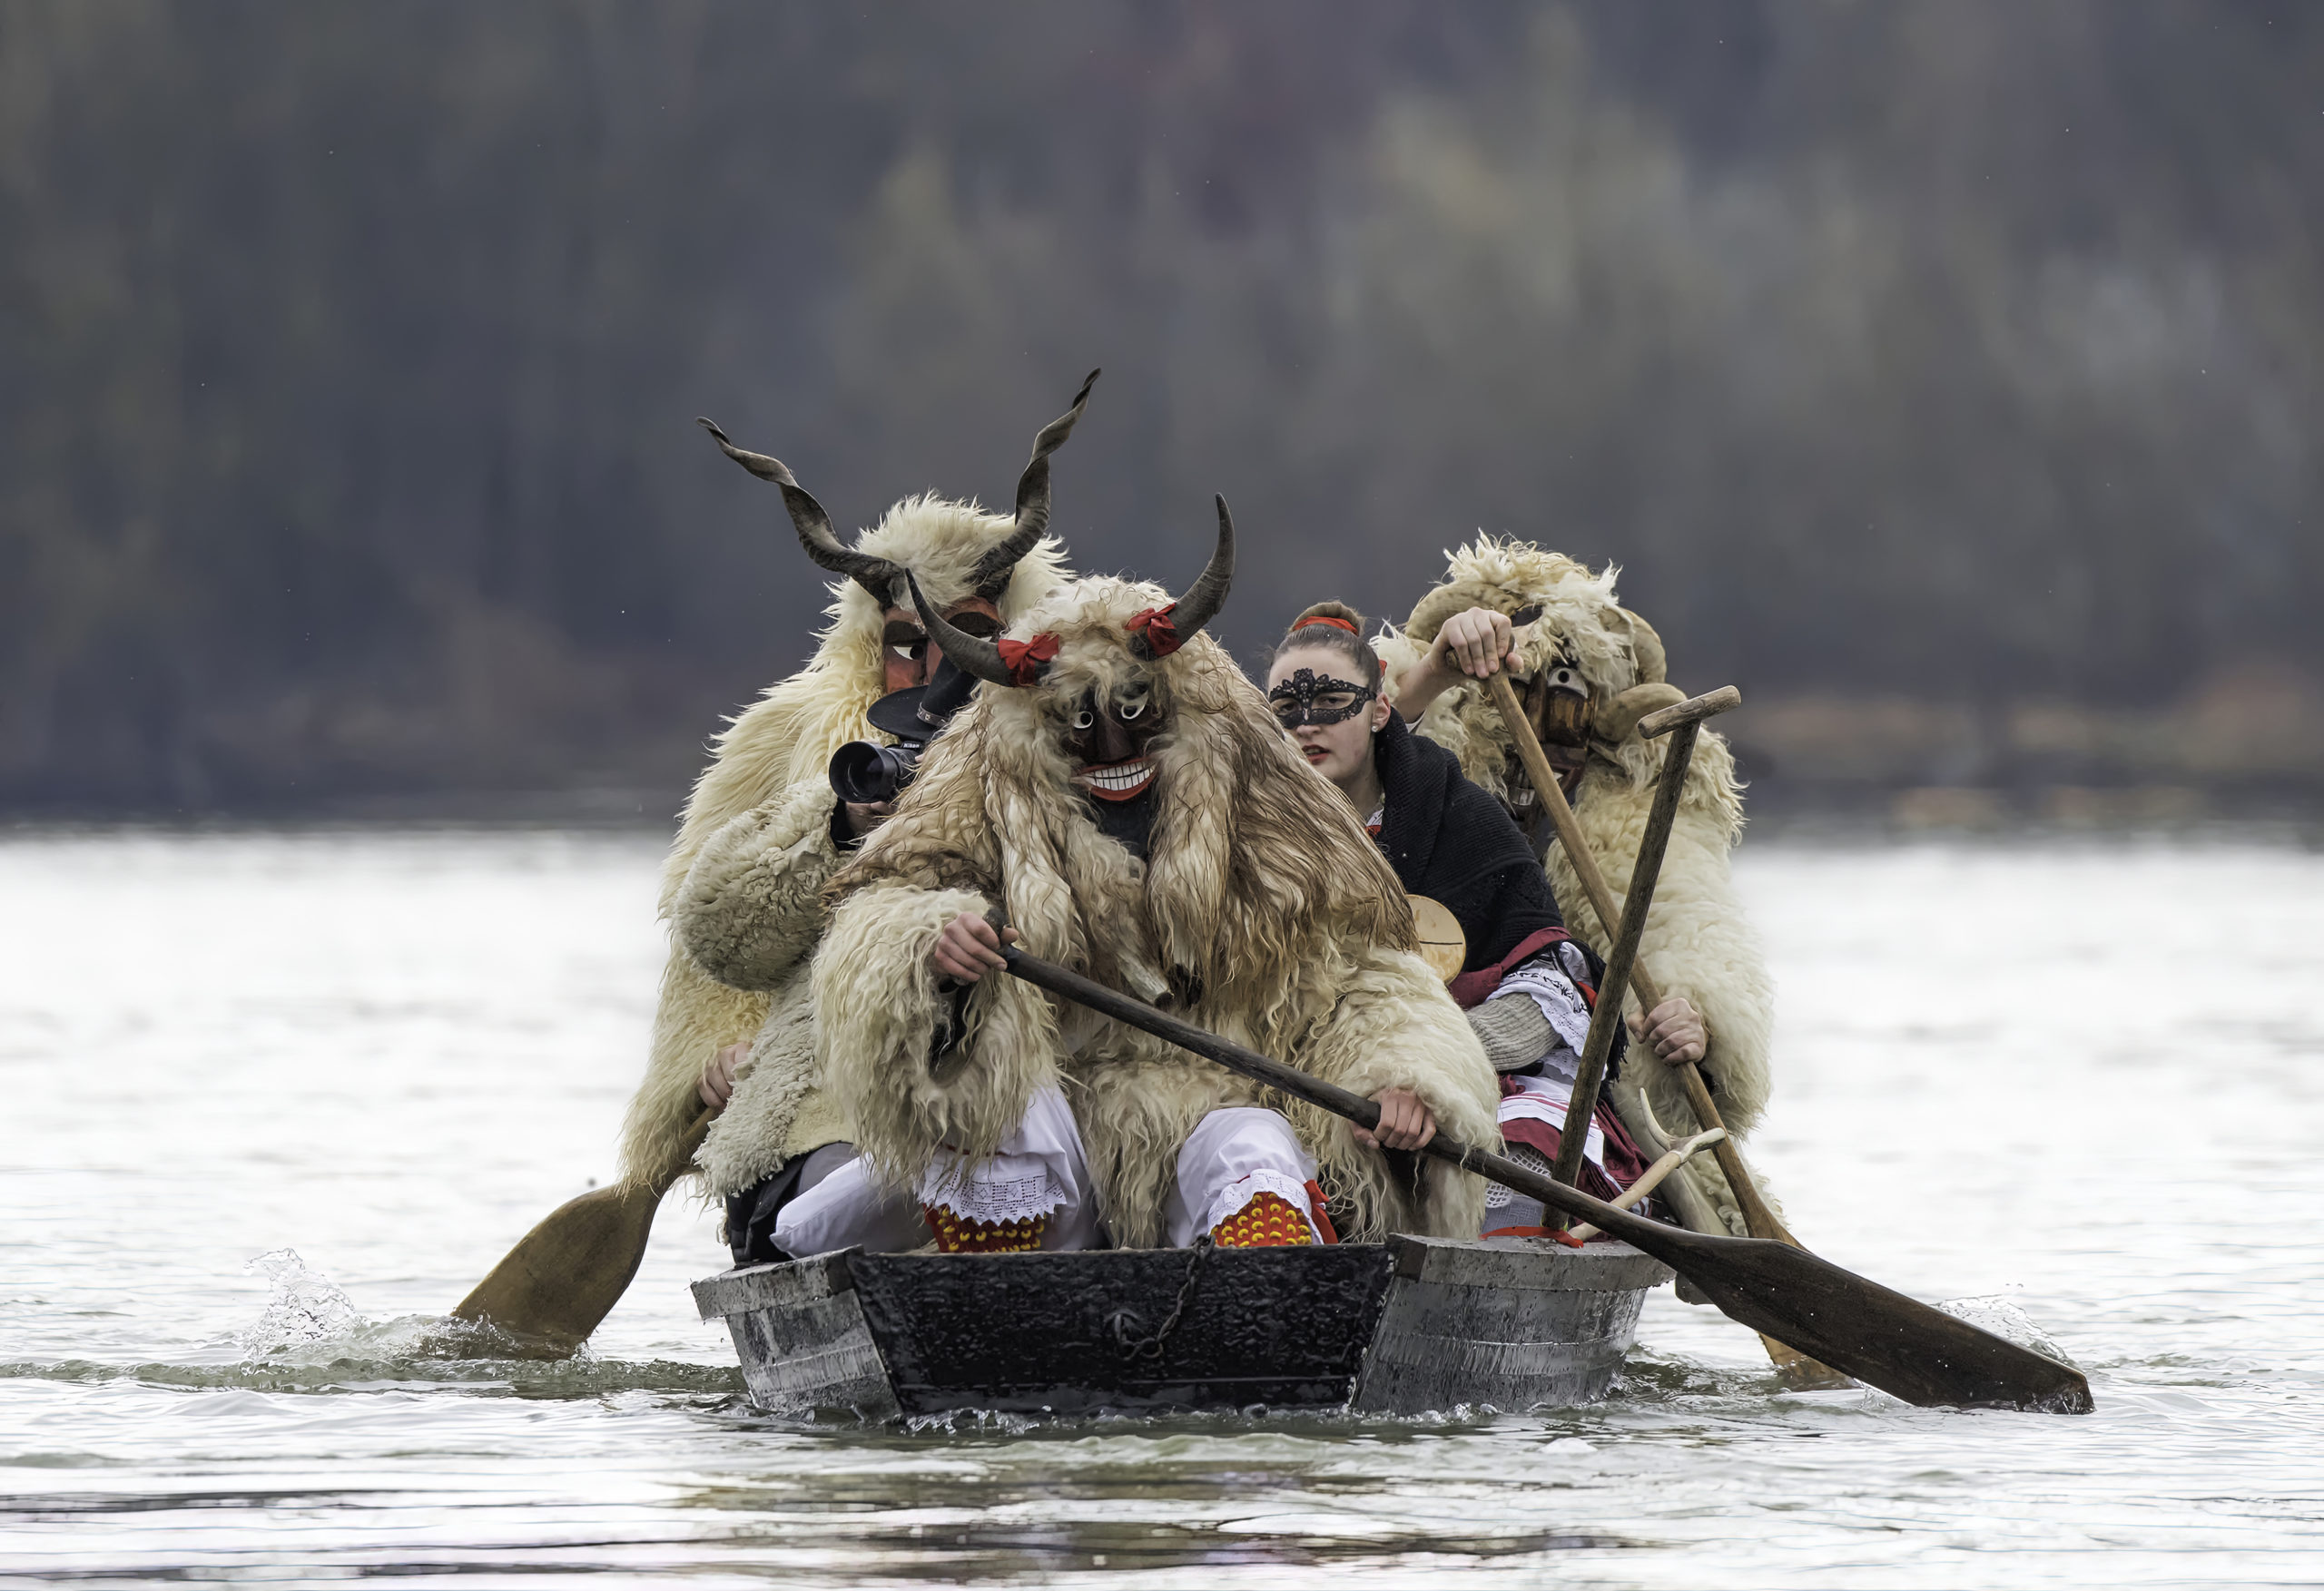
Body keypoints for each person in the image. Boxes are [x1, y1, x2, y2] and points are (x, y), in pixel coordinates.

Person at [804, 506, 1502, 1255]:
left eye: (1135, 711)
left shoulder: (1270, 822)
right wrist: (932, 945)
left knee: (1255, 1151)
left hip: (1213, 1103)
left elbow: (1373, 981)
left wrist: (1402, 1081)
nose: (1112, 746)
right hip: (1050, 1117)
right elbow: (885, 910)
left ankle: (1260, 1310)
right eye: (1078, 721)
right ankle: (990, 1299)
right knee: (1003, 1127)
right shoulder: (984, 795)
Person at [614, 373, 1097, 1266]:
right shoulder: (798, 732)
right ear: (873, 631)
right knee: (842, 1191)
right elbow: (708, 935)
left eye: (961, 639)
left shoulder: (1077, 743)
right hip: (824, 1099)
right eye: (907, 641)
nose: (930, 664)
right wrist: (717, 1059)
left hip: (1041, 1090)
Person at [1373, 537, 1774, 1240]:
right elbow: (1355, 749)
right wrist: (1434, 669)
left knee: (1555, 1135)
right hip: (1405, 1048)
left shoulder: (1632, 814)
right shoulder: (1427, 777)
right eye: (1527, 726)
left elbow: (1689, 920)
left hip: (1563, 1068)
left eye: (1572, 734)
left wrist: (1696, 1014)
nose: (1550, 761)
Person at [1264, 602, 1654, 1233]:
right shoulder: (1242, 845)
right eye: (1286, 710)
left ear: (1379, 709)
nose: (1308, 726)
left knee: (1511, 1165)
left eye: (1333, 700)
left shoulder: (1461, 817)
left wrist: (1426, 1075)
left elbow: (1550, 987)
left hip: (1483, 1080)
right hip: (1309, 1091)